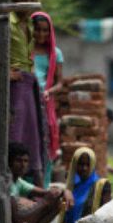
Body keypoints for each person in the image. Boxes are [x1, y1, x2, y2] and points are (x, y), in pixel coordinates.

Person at [9, 0, 45, 187]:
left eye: (33, 0)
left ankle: (37, 186)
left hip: (28, 83)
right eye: (26, 1)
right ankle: (14, 182)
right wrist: (6, 73)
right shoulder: (6, 21)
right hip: (15, 86)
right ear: (15, 0)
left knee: (33, 135)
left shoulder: (29, 24)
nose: (30, 4)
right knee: (15, 133)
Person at [31, 11, 63, 188]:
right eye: (37, 30)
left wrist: (49, 92)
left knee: (47, 142)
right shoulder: (25, 50)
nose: (41, 34)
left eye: (45, 30)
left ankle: (44, 185)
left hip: (45, 102)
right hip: (28, 98)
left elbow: (60, 83)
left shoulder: (55, 53)